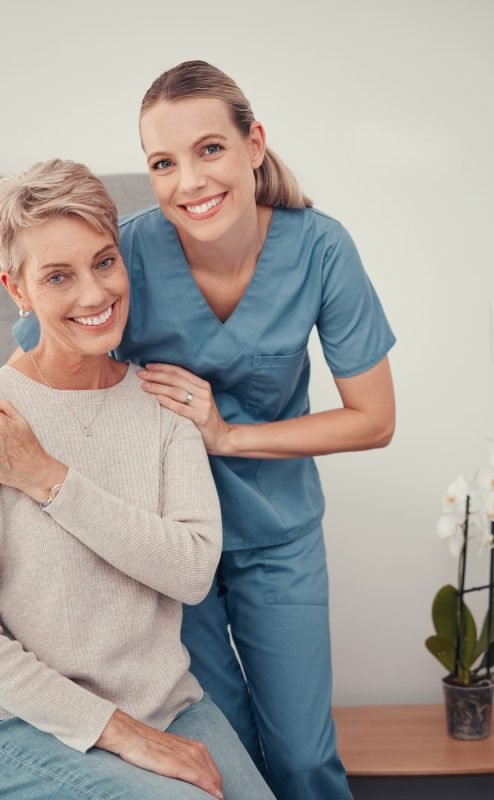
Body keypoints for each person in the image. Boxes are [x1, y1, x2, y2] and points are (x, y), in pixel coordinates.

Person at [13, 60, 396, 800]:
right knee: (227, 746)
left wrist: (228, 436)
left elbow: (374, 419)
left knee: (303, 754)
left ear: (254, 144)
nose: (190, 181)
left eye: (210, 149)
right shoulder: (124, 253)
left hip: (274, 529)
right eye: (163, 162)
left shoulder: (321, 250)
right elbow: (43, 355)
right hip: (160, 547)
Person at [0, 159, 275, 800]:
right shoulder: (5, 417)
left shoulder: (163, 402)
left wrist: (49, 480)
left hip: (169, 705)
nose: (94, 296)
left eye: (104, 262)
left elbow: (190, 570)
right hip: (28, 724)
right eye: (58, 277)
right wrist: (115, 731)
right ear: (17, 290)